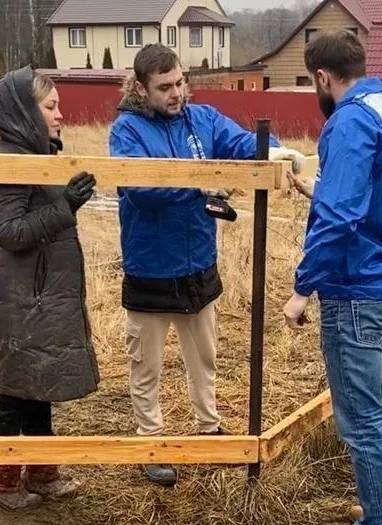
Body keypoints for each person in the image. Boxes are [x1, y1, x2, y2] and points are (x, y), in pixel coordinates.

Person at [109, 43, 306, 487]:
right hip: (151, 266)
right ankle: (151, 442)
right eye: (165, 87)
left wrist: (274, 152)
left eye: (180, 82)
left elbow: (241, 143)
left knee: (205, 357)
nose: (176, 93)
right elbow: (141, 188)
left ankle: (209, 427)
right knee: (147, 365)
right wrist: (202, 182)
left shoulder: (204, 119)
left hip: (198, 261)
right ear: (142, 88)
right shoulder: (127, 130)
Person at [282, 30, 382, 525]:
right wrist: (320, 192)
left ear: (322, 76)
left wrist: (302, 290)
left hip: (356, 290)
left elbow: (341, 220)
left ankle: (380, 516)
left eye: (312, 82)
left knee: (361, 420)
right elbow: (372, 198)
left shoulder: (349, 124)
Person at [0, 66, 100, 510]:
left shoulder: (37, 155)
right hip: (22, 294)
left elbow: (37, 218)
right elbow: (8, 231)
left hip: (41, 291)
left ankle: (43, 471)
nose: (60, 115)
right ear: (25, 113)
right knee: (17, 388)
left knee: (39, 382)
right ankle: (4, 480)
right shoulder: (8, 159)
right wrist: (65, 206)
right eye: (51, 107)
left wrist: (64, 201)